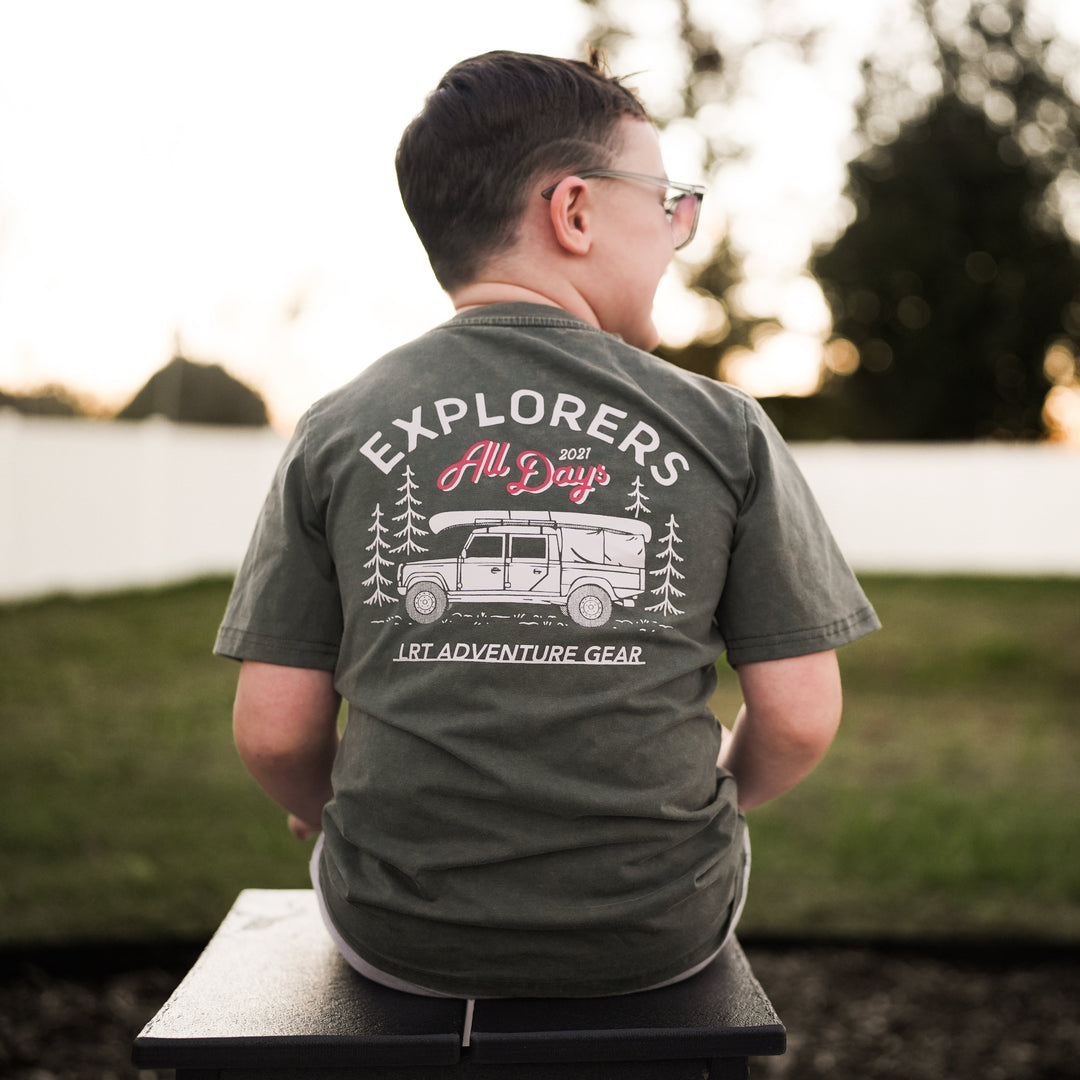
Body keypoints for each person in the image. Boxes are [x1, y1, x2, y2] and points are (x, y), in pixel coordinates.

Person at [215, 50, 880, 1008]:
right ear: (574, 212)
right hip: (658, 925)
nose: (678, 233)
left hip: (399, 929)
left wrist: (331, 811)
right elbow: (802, 715)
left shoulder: (339, 427)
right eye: (667, 203)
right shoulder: (721, 428)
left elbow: (276, 734)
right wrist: (712, 808)